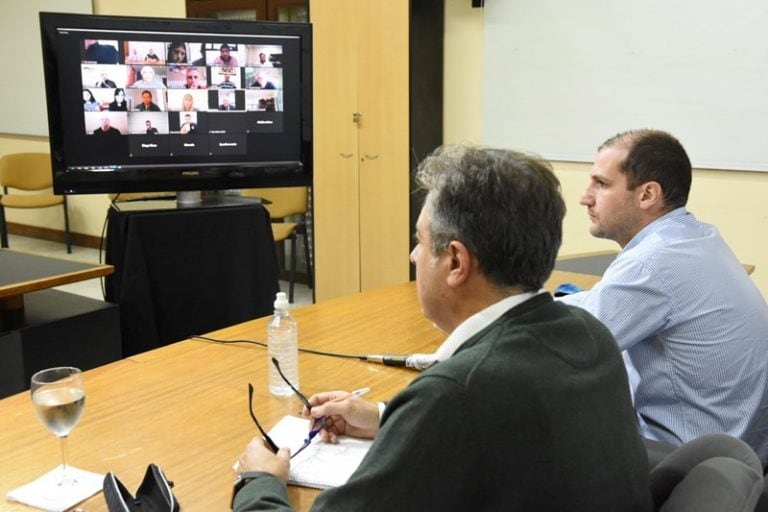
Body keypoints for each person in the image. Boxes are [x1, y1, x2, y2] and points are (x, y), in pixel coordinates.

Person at [232, 144, 652, 511]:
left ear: (456, 262)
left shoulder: (457, 394)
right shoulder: (586, 333)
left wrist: (258, 482)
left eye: (419, 240)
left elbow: (468, 410)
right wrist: (388, 418)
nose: (414, 256)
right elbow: (514, 434)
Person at [559, 129, 768, 464]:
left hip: (689, 461)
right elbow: (599, 308)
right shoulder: (695, 237)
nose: (585, 197)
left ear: (647, 195)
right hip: (739, 452)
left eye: (601, 183)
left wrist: (501, 310)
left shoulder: (652, 263)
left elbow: (567, 346)